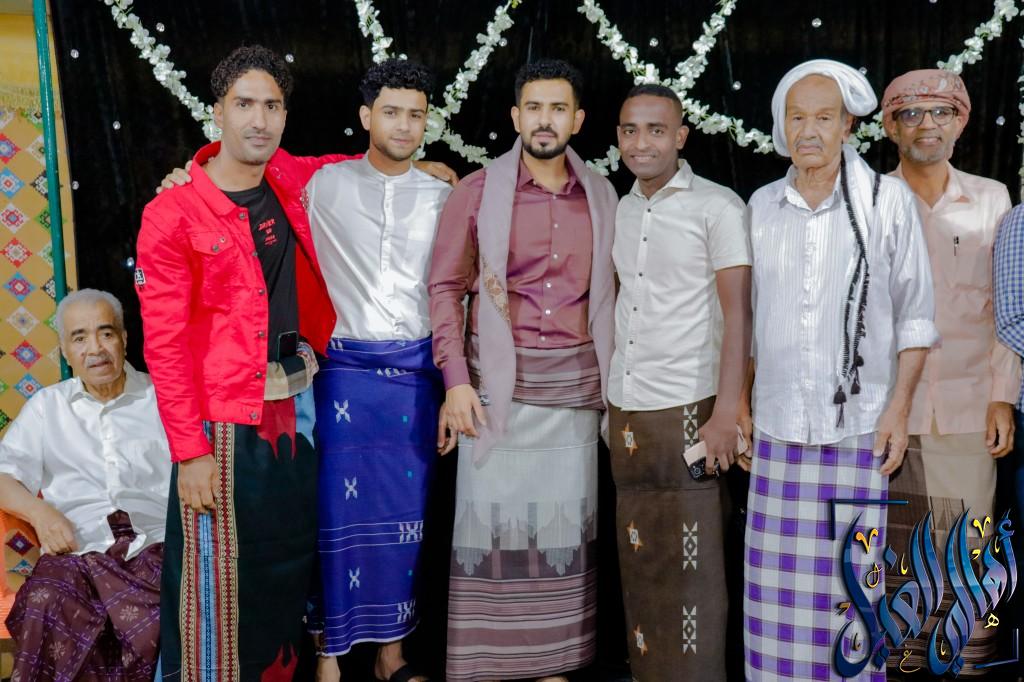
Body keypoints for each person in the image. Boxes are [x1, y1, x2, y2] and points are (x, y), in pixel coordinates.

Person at [136, 45, 354, 681]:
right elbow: (165, 346)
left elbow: (356, 166)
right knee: (215, 582)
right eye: (244, 104)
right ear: (217, 112)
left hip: (299, 407)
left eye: (272, 106)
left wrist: (427, 166)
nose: (259, 120)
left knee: (285, 571)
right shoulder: (171, 212)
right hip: (221, 425)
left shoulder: (288, 179)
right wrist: (189, 453)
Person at [740, 59, 938, 681]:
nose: (809, 131)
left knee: (853, 592)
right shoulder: (762, 206)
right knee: (774, 597)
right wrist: (740, 405)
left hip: (859, 431)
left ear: (847, 125)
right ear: (782, 126)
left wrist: (898, 410)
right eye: (797, 117)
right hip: (777, 429)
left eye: (824, 117)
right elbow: (747, 320)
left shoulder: (887, 200)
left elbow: (916, 318)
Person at [428, 58, 617, 682]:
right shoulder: (477, 192)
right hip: (493, 394)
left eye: (558, 109)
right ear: (515, 116)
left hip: (574, 392)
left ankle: (552, 666)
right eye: (534, 107)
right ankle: (487, 665)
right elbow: (444, 287)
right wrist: (456, 381)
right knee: (491, 541)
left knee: (563, 546)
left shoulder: (603, 196)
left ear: (578, 120)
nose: (544, 120)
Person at [304, 58, 449, 682]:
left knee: (406, 517)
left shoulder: (444, 197)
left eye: (416, 114)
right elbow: (245, 170)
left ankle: (393, 654)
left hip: (416, 378)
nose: (404, 125)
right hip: (344, 374)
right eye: (391, 112)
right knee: (336, 514)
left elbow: (454, 292)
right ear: (367, 117)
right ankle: (330, 654)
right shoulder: (324, 185)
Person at [607, 83, 751, 681]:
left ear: (681, 137)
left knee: (696, 571)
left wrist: (728, 413)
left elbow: (740, 316)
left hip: (691, 408)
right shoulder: (622, 207)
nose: (641, 142)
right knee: (640, 565)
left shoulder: (718, 207)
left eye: (656, 130)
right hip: (627, 409)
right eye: (630, 130)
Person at [880, 69, 1018, 675]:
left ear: (961, 122)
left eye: (941, 112)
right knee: (897, 556)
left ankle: (966, 665)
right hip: (888, 411)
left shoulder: (991, 199)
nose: (926, 125)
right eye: (911, 114)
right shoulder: (871, 199)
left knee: (969, 549)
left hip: (969, 408)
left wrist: (1003, 395)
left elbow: (1005, 306)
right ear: (891, 127)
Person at [0, 289, 170, 681]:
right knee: (44, 600)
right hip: (75, 550)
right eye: (79, 338)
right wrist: (40, 513)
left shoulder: (162, 399)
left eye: (106, 333)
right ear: (65, 350)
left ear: (124, 338)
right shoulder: (48, 407)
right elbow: (3, 476)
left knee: (163, 611)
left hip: (154, 545)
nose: (95, 349)